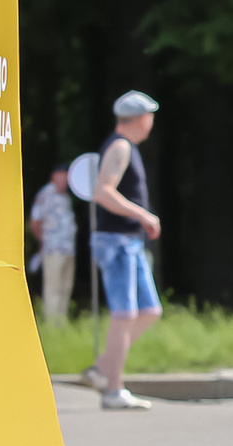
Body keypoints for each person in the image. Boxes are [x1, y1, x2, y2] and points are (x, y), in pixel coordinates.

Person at [85, 91, 164, 410]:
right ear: (143, 118)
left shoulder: (126, 147)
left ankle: (102, 369)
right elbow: (102, 193)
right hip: (116, 241)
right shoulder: (119, 146)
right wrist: (143, 214)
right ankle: (113, 390)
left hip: (128, 241)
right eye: (151, 116)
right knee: (125, 315)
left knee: (148, 311)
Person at [29, 170, 76, 322]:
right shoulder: (46, 194)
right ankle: (51, 326)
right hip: (53, 249)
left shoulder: (65, 196)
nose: (66, 180)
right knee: (53, 289)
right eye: (63, 175)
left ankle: (60, 324)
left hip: (68, 249)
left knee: (65, 288)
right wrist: (43, 242)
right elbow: (35, 221)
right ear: (54, 176)